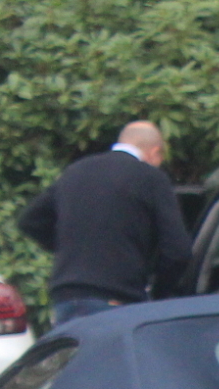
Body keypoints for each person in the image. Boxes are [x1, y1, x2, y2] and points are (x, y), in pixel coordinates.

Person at [16, 121, 194, 325]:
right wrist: (160, 294)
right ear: (154, 152)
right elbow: (178, 250)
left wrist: (71, 247)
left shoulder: (76, 170)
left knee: (76, 357)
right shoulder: (150, 178)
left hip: (66, 295)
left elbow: (30, 220)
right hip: (117, 296)